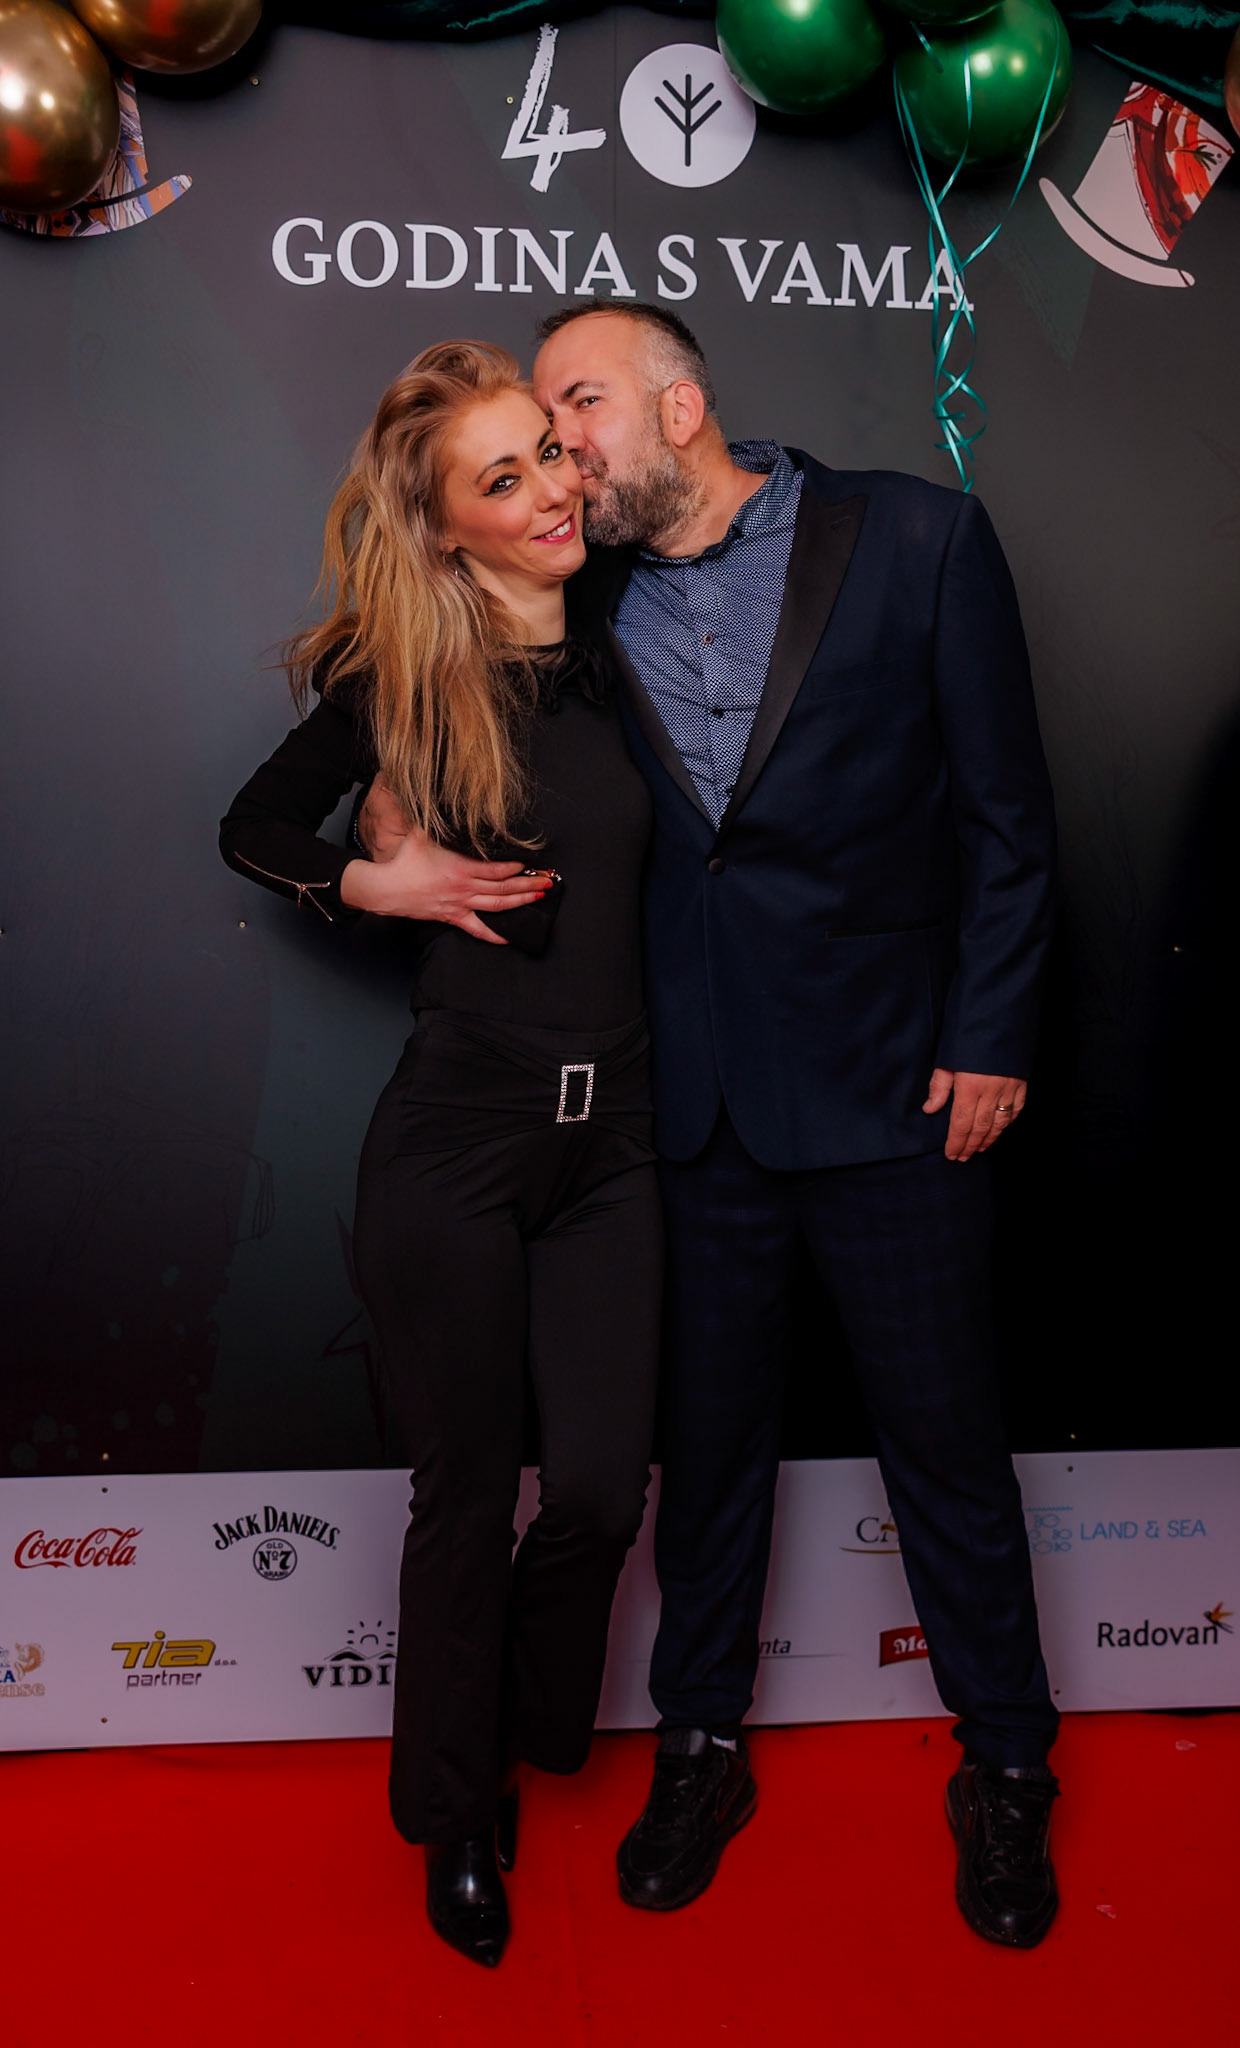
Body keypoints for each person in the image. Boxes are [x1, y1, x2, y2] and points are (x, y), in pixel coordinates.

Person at [362, 305, 1063, 1948]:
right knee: (709, 1467)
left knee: (948, 1452)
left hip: (898, 1095)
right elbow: (425, 679)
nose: (558, 447)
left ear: (678, 408)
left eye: (578, 405)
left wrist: (989, 1038)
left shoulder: (915, 537)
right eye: (539, 426)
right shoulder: (575, 594)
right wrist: (378, 838)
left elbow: (1007, 818)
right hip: (687, 1114)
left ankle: (1007, 1764)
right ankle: (698, 1747)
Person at [219, 340, 662, 1970]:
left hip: (617, 1142)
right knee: (465, 1496)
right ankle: (456, 1815)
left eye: (548, 448)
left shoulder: (633, 640)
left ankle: (535, 1722)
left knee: (599, 1488)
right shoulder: (402, 677)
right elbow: (252, 827)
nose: (550, 489)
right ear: (445, 527)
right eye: (503, 477)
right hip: (459, 1140)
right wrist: (372, 883)